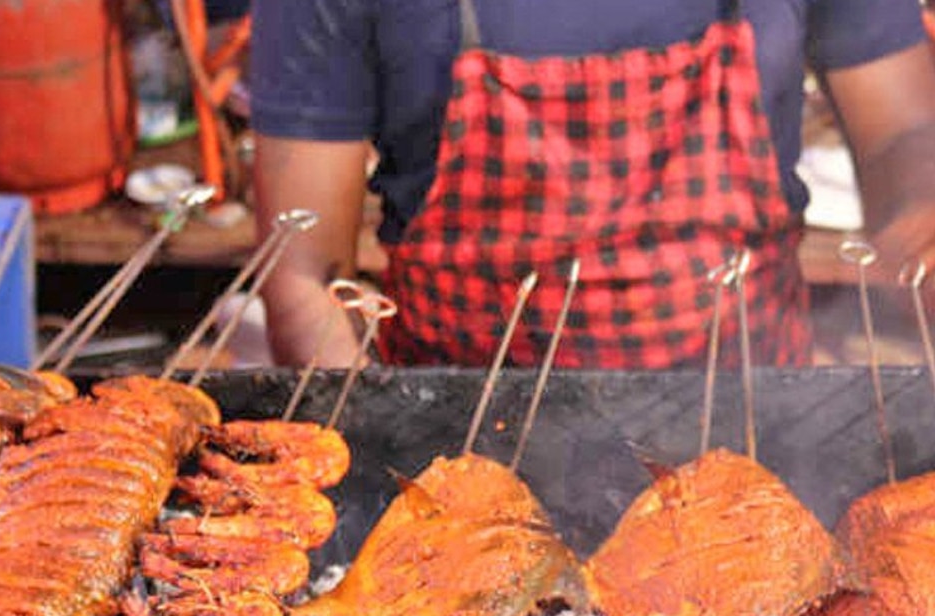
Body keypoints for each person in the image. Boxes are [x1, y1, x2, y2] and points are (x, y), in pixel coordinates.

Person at [248, 0, 935, 369]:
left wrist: (920, 223)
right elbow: (305, 276)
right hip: (455, 445)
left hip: (757, 433)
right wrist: (375, 453)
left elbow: (905, 133)